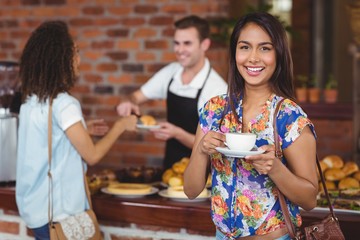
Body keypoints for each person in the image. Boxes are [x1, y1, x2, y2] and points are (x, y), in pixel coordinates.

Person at [184, 12, 318, 240]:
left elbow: (309, 200)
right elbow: (191, 190)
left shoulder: (288, 117)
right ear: (235, 52)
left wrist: (275, 168)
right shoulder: (214, 110)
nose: (253, 58)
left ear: (278, 55)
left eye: (265, 48)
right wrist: (201, 149)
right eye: (245, 47)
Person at [15, 20, 137, 240]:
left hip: (36, 212)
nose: (79, 60)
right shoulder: (65, 104)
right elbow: (92, 156)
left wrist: (83, 129)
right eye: (76, 53)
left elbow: (44, 141)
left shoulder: (30, 102)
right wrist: (120, 126)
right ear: (60, 60)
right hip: (60, 214)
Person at [116, 15, 228, 170]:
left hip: (204, 174)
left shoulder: (217, 89)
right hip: (170, 167)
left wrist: (177, 134)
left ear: (205, 44)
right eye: (176, 43)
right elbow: (135, 96)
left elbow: (216, 146)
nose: (180, 50)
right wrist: (128, 101)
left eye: (187, 43)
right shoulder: (171, 72)